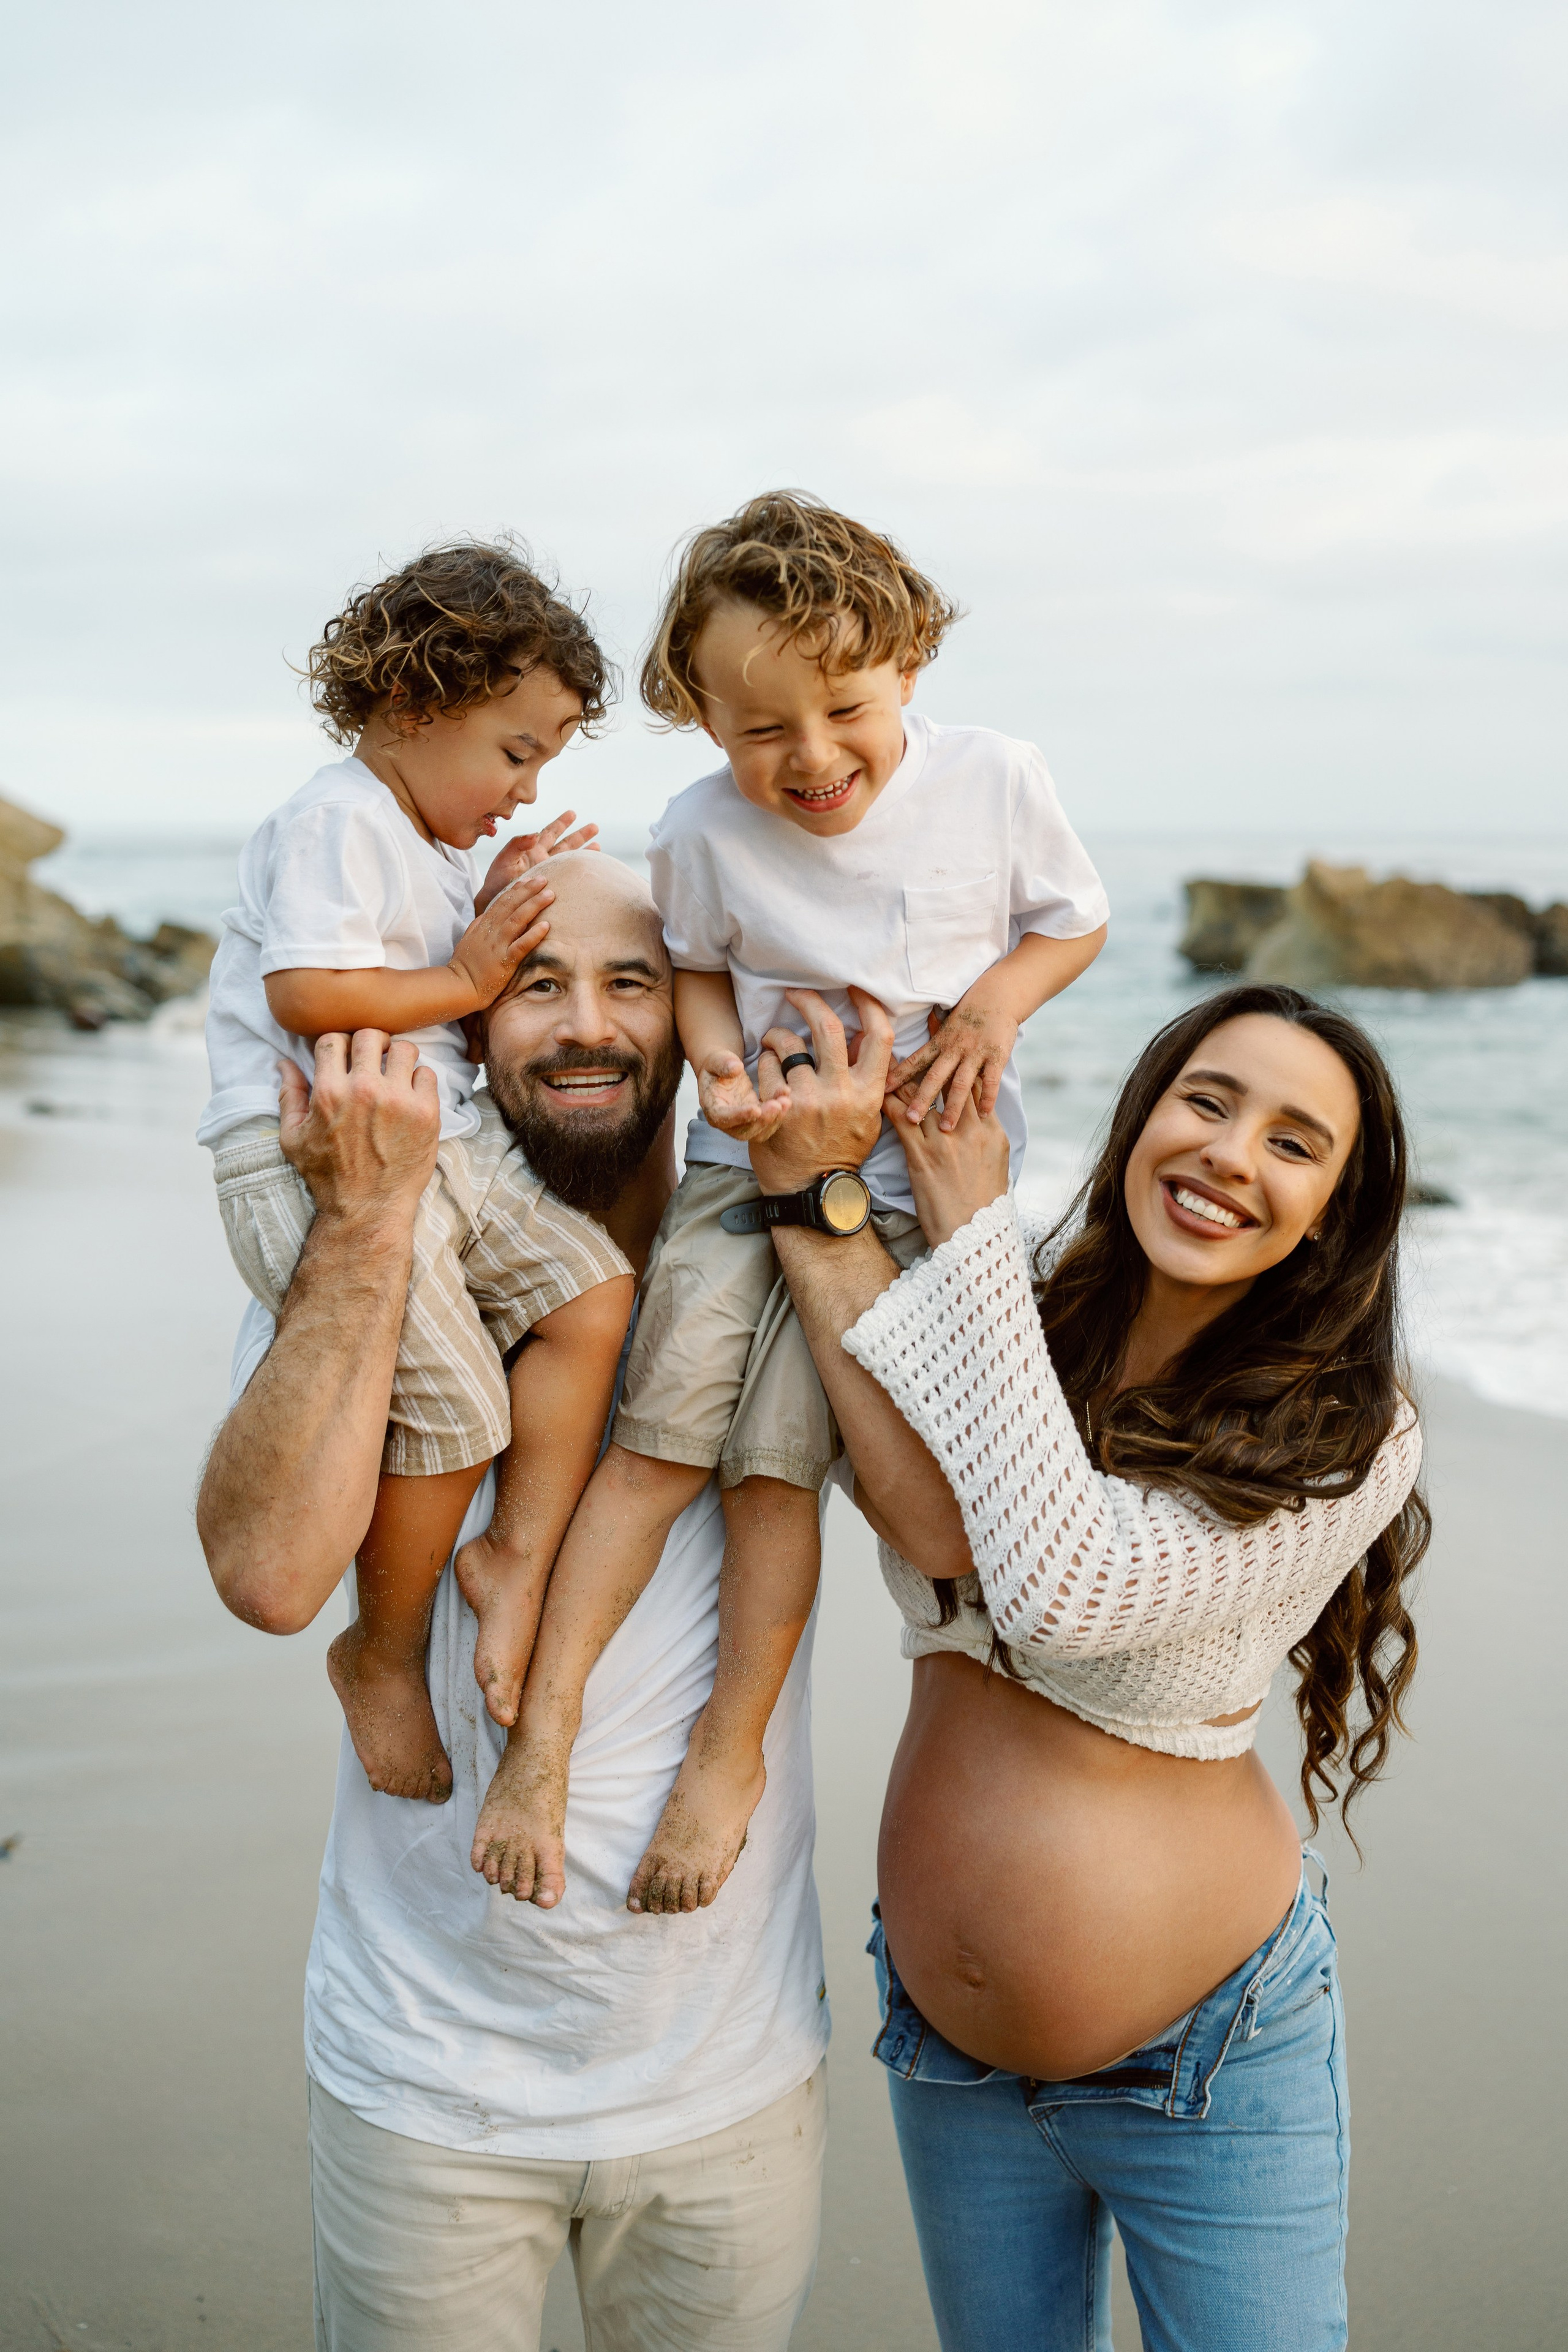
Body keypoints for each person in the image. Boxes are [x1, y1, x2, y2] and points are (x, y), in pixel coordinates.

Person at [195, 853, 829, 2352]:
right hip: (424, 2081)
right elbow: (275, 1578)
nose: (584, 1026)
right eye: (534, 983)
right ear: (465, 1022)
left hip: (723, 2076)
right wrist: (360, 1228)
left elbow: (944, 1521)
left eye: (625, 983)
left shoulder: (775, 1259)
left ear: (691, 1012)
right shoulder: (362, 1258)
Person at [744, 978, 1429, 2352]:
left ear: (1332, 1218)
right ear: (1139, 1119)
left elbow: (1062, 1590)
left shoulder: (1354, 1438)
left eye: (1295, 1145)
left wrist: (962, 1224)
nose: (1231, 1156)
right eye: (1207, 1101)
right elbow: (933, 1523)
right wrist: (810, 1193)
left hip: (1213, 2058)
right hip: (947, 2053)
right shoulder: (1032, 1331)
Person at [477, 491, 1110, 1921]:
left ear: (909, 672)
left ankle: (728, 1751)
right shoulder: (701, 829)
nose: (813, 758)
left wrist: (995, 1013)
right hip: (739, 1168)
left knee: (777, 1481)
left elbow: (1070, 920)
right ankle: (548, 1729)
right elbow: (699, 967)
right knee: (657, 1442)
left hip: (910, 1194)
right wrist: (710, 1065)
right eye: (762, 731)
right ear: (702, 719)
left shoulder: (994, 778)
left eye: (846, 710)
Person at [198, 539, 630, 1806]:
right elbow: (312, 988)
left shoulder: (419, 843)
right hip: (305, 1159)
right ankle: (381, 1652)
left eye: (544, 759)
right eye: (513, 750)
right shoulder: (336, 816)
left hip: (442, 1146)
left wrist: (481, 899)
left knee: (590, 1290)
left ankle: (510, 1553)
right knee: (455, 1413)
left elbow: (420, 953)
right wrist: (471, 977)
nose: (525, 783)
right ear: (410, 706)